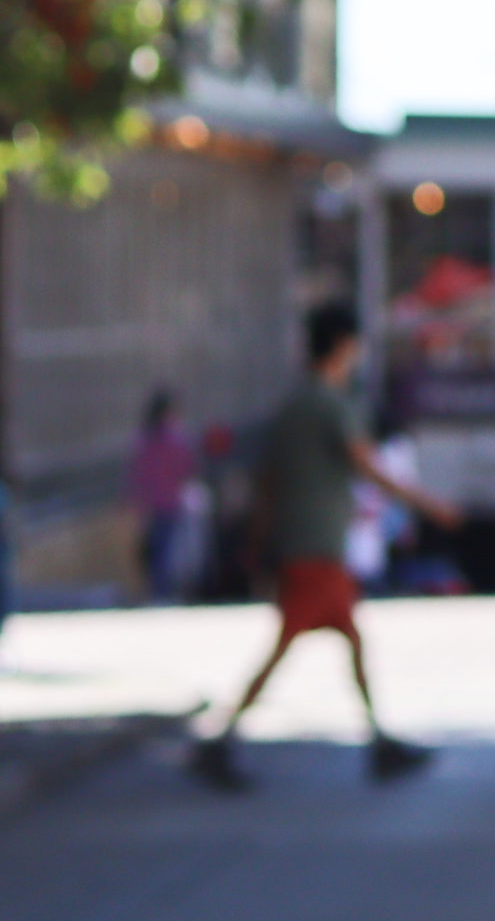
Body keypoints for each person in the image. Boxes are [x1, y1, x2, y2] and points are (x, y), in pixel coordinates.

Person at [191, 304, 462, 791]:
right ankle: (222, 740)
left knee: (344, 644)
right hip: (314, 550)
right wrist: (430, 505)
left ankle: (377, 741)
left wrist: (258, 542)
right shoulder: (331, 406)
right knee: (294, 650)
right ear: (343, 346)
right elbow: (369, 467)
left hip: (300, 547)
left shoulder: (294, 406)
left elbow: (267, 484)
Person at [127, 389, 199, 603]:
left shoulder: (144, 440)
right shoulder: (175, 438)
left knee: (156, 548)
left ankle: (159, 588)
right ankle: (164, 589)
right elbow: (188, 467)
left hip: (151, 504)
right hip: (170, 502)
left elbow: (135, 474)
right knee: (168, 549)